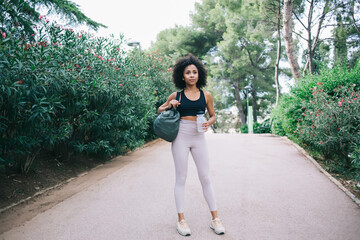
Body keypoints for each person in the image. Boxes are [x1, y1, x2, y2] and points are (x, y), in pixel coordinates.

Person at [158, 54, 225, 236]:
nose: (192, 75)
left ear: (199, 75)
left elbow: (213, 116)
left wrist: (208, 123)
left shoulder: (206, 95)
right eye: (188, 72)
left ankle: (215, 219)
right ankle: (181, 220)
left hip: (199, 137)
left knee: (205, 177)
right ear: (182, 76)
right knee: (181, 178)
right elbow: (160, 109)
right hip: (181, 136)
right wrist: (170, 104)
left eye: (195, 72)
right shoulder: (176, 95)